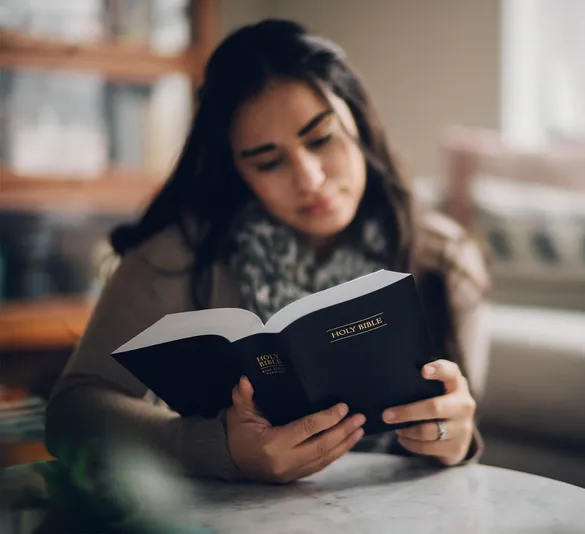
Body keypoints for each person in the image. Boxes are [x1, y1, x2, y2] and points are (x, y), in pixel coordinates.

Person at [45, 19, 490, 484]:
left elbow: (462, 432)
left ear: (359, 123)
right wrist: (215, 447)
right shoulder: (176, 256)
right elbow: (70, 413)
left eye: (322, 139)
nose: (310, 179)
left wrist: (455, 437)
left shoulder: (447, 256)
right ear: (237, 170)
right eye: (268, 161)